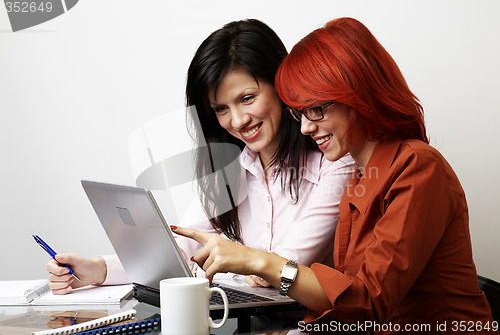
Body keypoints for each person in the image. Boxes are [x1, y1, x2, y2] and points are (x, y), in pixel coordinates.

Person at [172, 17, 495, 333]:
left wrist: (260, 262)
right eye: (299, 112)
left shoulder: (417, 166)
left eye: (316, 109)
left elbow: (367, 302)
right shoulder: (361, 175)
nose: (305, 127)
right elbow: (345, 299)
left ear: (358, 95)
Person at [46, 19, 355, 294]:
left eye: (247, 99)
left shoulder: (334, 163)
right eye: (221, 108)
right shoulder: (233, 170)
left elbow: (281, 266)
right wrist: (97, 269)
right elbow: (183, 248)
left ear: (280, 84)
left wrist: (234, 258)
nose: (237, 120)